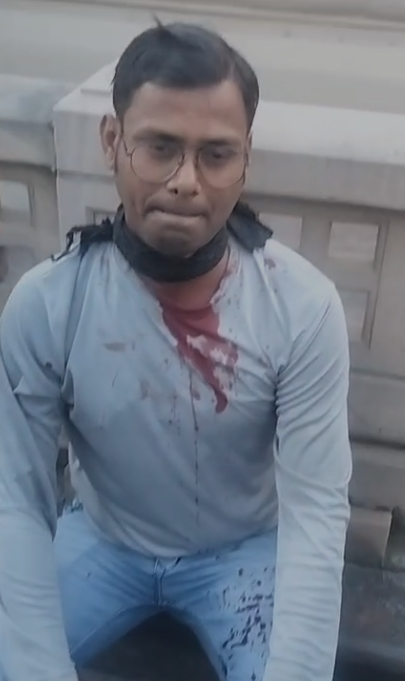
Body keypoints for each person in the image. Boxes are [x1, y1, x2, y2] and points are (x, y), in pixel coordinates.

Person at [0, 21, 352, 681]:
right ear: (112, 140)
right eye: (159, 147)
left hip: (243, 555)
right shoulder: (50, 302)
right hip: (101, 542)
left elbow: (316, 510)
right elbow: (14, 496)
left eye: (215, 154)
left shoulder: (299, 306)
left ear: (245, 158)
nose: (186, 181)